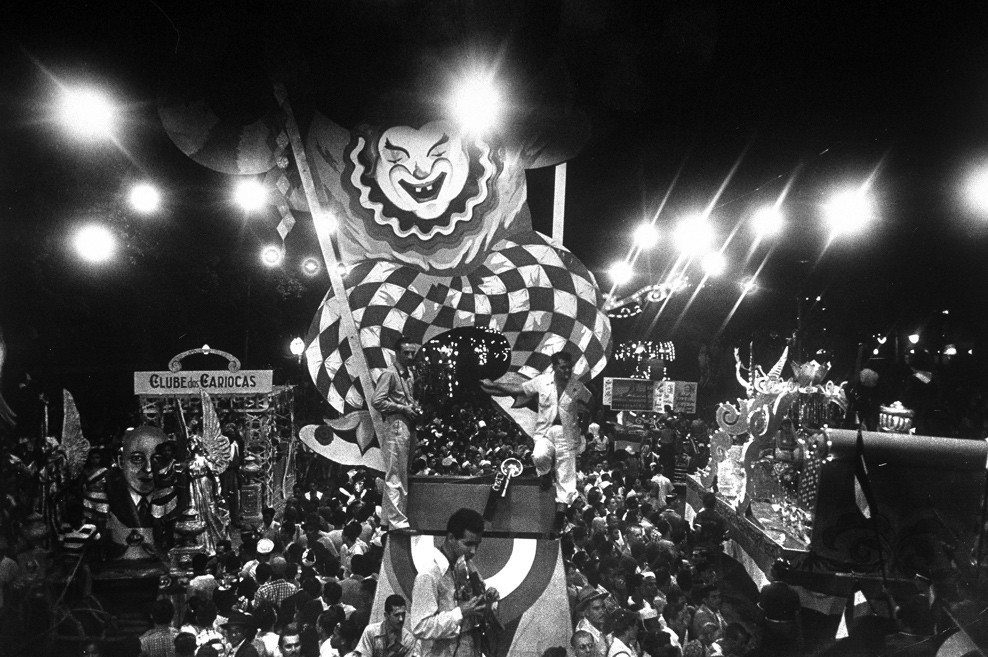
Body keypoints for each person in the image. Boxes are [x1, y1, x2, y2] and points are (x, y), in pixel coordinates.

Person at [481, 351, 591, 526]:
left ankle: (559, 517)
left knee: (566, 476)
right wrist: (493, 385)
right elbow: (517, 389)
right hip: (545, 432)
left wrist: (583, 428)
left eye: (569, 368)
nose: (567, 371)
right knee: (539, 455)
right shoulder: (542, 382)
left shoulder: (578, 387)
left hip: (567, 435)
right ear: (554, 367)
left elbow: (591, 405)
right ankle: (545, 474)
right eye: (563, 367)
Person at [409, 508, 499, 657]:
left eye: (477, 545)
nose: (473, 551)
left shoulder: (468, 566)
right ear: (451, 538)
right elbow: (420, 627)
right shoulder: (429, 575)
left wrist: (487, 599)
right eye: (468, 544)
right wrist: (460, 613)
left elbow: (476, 608)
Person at [372, 336, 421, 530]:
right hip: (396, 426)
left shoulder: (409, 374)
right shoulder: (389, 374)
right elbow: (377, 401)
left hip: (406, 426)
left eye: (412, 353)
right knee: (395, 475)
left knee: (400, 473)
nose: (410, 356)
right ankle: (396, 521)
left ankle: (388, 519)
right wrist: (401, 408)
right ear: (397, 353)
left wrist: (412, 406)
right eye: (406, 353)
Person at [573, 588, 608, 657]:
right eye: (596, 608)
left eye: (603, 607)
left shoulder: (598, 623)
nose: (602, 612)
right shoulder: (584, 632)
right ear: (586, 612)